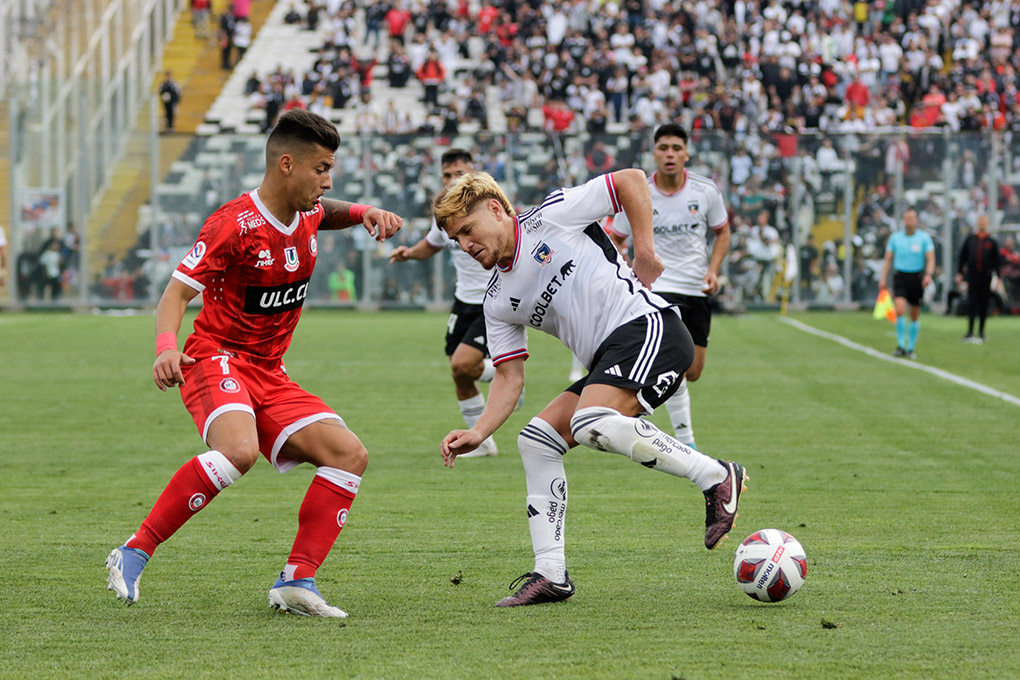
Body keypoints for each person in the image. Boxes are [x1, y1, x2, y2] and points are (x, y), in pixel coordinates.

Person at [104, 110, 403, 618]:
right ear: (286, 164)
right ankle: (133, 550)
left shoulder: (305, 211)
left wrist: (361, 211)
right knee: (237, 452)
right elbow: (175, 294)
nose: (328, 180)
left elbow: (322, 211)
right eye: (321, 168)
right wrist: (164, 347)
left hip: (269, 371)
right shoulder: (232, 224)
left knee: (348, 455)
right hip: (213, 359)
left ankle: (297, 581)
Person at [433, 170, 747, 607]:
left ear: (496, 208)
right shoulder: (498, 298)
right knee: (536, 441)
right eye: (456, 240)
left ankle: (715, 475)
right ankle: (551, 574)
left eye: (467, 230)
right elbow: (509, 376)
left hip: (649, 327)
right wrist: (480, 431)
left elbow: (632, 181)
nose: (465, 245)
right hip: (610, 358)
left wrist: (645, 250)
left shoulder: (552, 216)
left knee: (590, 420)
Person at [608, 124, 730, 450]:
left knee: (692, 371)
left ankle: (636, 413)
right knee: (672, 360)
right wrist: (625, 269)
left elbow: (722, 231)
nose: (670, 154)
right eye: (663, 148)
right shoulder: (639, 192)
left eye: (677, 147)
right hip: (656, 289)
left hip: (696, 289)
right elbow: (616, 237)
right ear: (654, 153)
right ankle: (684, 440)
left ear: (687, 153)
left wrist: (714, 271)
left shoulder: (706, 191)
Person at [389, 149, 503, 457]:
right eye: (447, 175)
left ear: (473, 173)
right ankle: (483, 444)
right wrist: (409, 253)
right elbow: (432, 244)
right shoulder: (445, 216)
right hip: (462, 300)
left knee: (462, 363)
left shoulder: (491, 207)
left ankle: (506, 376)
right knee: (459, 372)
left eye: (459, 174)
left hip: (493, 299)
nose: (452, 180)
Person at [879, 209, 935, 359]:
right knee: (900, 309)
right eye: (907, 218)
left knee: (914, 314)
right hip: (901, 277)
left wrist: (928, 275)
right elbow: (887, 260)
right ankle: (900, 345)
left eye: (912, 218)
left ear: (916, 221)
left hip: (917, 277)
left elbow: (930, 258)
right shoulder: (895, 238)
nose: (909, 221)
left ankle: (910, 347)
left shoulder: (924, 238)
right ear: (903, 221)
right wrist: (883, 277)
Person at [956, 214, 1000, 344]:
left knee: (984, 304)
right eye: (980, 221)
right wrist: (959, 274)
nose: (982, 224)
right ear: (977, 223)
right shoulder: (970, 239)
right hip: (972, 277)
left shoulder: (991, 241)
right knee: (972, 303)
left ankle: (981, 332)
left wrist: (998, 277)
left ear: (987, 224)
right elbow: (962, 258)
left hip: (986, 277)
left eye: (984, 222)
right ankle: (969, 332)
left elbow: (996, 261)